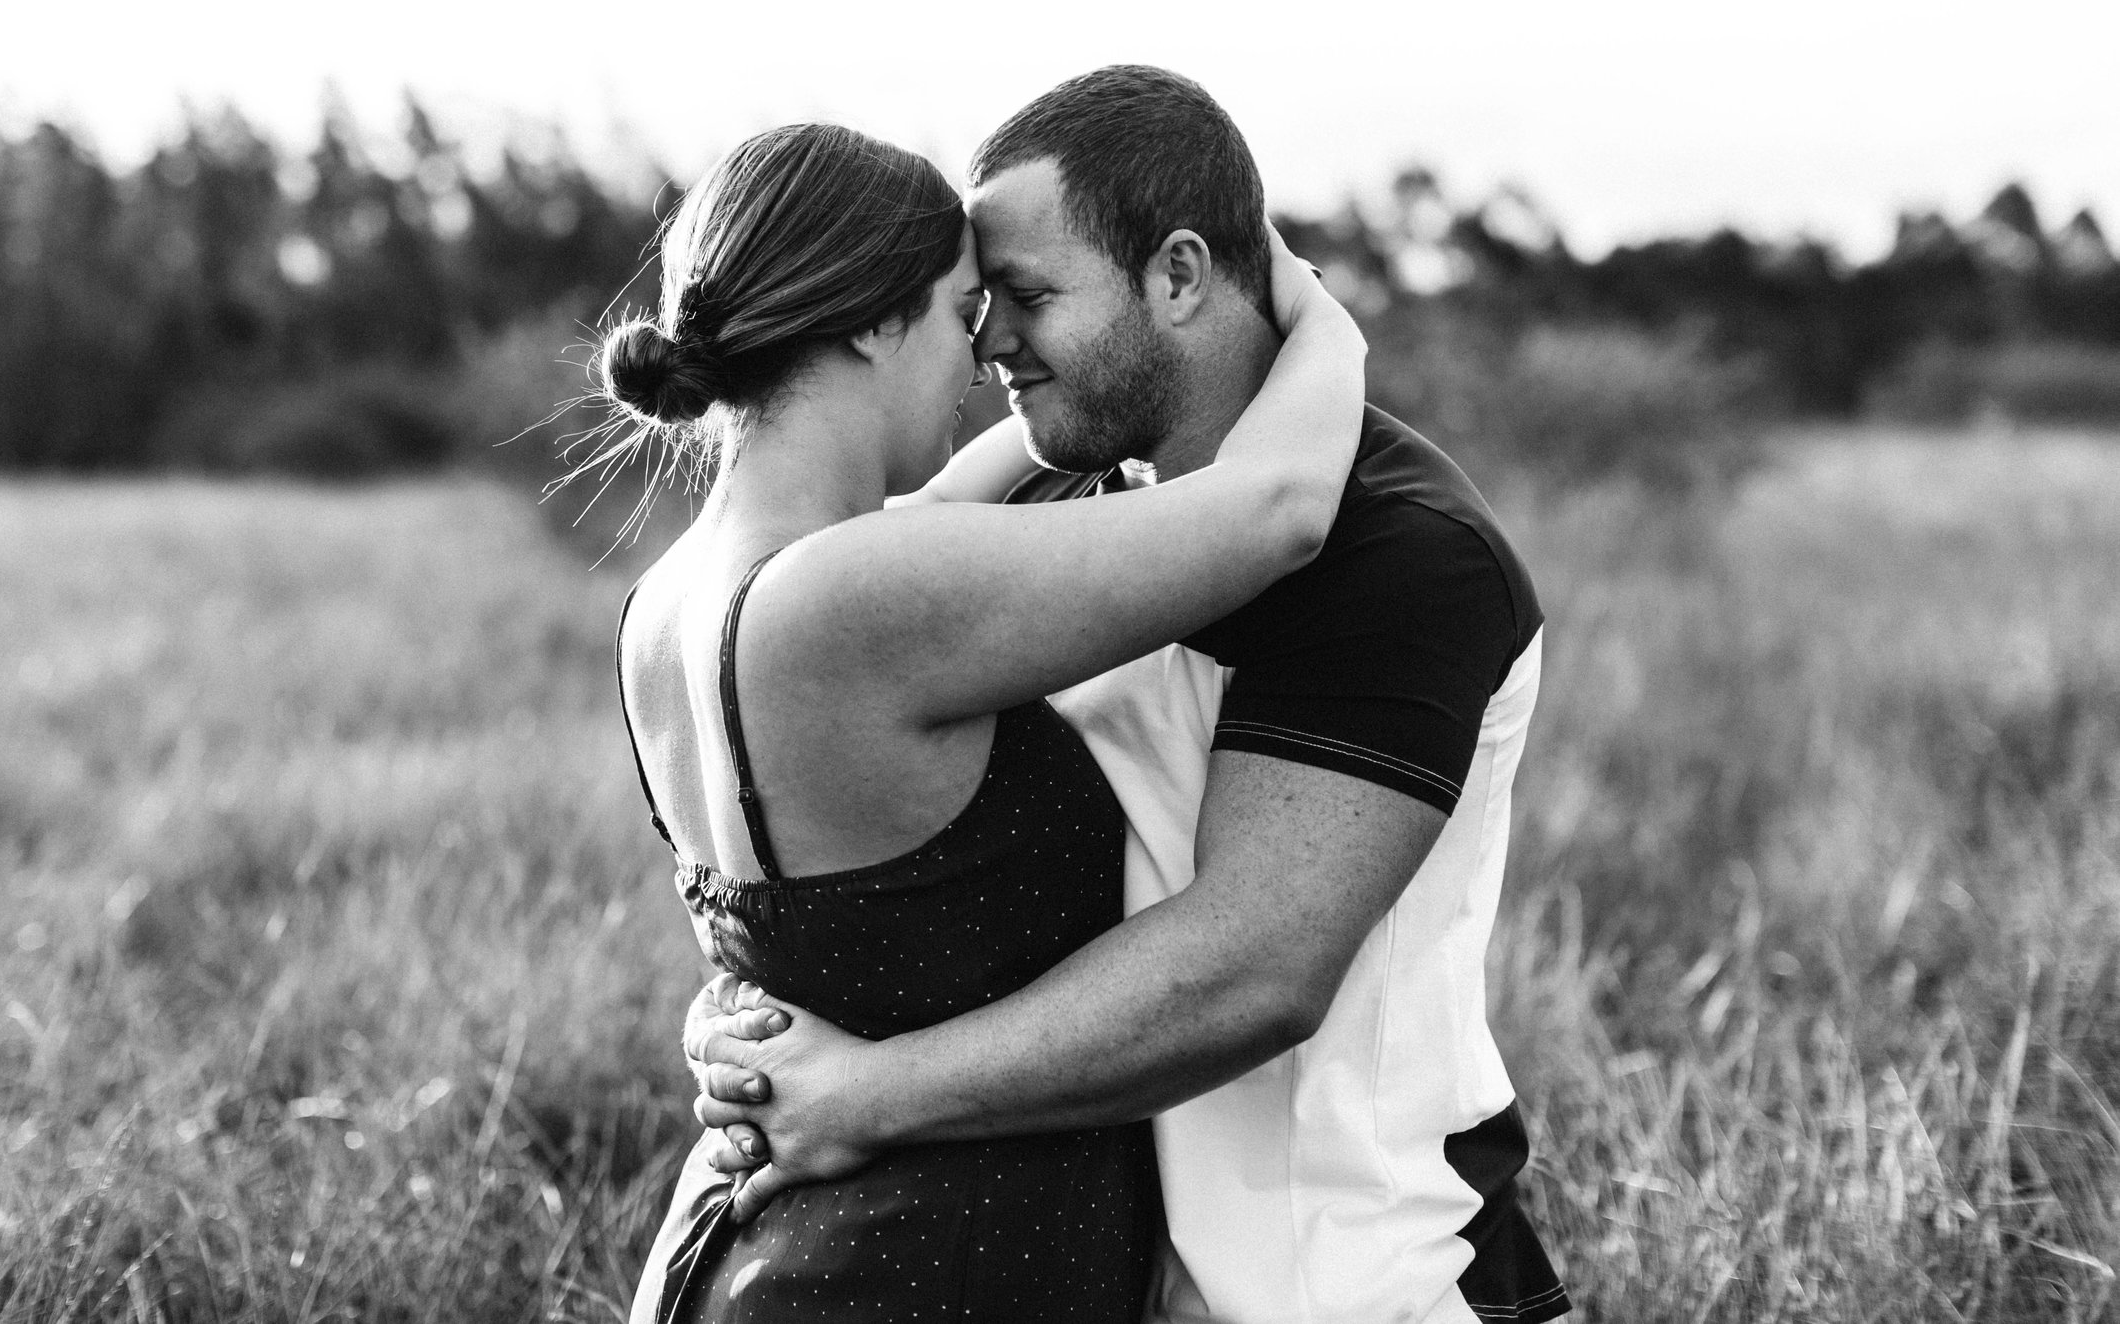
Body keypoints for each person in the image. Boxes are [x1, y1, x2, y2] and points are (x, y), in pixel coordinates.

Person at [683, 68, 1572, 1324]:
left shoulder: (1400, 554)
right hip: (1087, 1268)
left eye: (1030, 297)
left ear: (1179, 273)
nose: (990, 341)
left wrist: (858, 1092)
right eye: (979, 302)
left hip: (1345, 1275)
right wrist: (764, 1005)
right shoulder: (1059, 503)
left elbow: (1252, 969)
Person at [597, 119, 1369, 1321]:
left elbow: (958, 497)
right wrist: (1310, 306)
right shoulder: (858, 596)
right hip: (931, 1261)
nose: (978, 361)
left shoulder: (669, 603)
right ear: (865, 320)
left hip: (746, 1243)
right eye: (963, 314)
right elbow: (1276, 510)